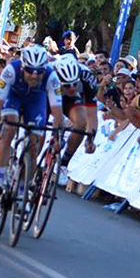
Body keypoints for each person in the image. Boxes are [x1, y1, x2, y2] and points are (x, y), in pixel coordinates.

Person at [0, 44, 63, 199]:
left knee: (34, 147)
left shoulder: (51, 77)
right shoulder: (10, 71)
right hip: (14, 96)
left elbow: (57, 113)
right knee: (9, 129)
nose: (34, 76)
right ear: (23, 67)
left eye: (39, 72)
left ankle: (22, 187)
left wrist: (57, 136)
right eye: (30, 71)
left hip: (36, 101)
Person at [52, 55, 98, 184]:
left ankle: (63, 164)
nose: (72, 88)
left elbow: (92, 115)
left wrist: (90, 139)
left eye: (75, 83)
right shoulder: (48, 75)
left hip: (71, 100)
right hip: (49, 96)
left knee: (81, 122)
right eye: (67, 85)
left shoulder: (87, 77)